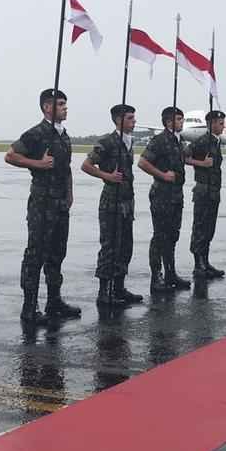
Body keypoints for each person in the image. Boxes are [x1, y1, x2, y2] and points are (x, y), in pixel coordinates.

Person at [6, 88, 81, 324]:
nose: (65, 108)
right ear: (47, 107)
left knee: (57, 253)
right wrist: (37, 163)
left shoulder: (63, 135)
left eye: (65, 104)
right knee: (36, 254)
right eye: (60, 104)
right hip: (42, 202)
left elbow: (66, 168)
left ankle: (54, 301)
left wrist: (70, 194)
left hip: (60, 203)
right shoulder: (36, 133)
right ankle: (29, 307)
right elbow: (11, 156)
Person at [81, 104, 143, 306]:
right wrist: (106, 176)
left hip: (127, 201)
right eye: (130, 118)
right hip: (111, 201)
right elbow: (86, 165)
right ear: (118, 120)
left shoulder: (129, 141)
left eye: (134, 118)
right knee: (110, 247)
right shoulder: (107, 142)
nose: (134, 121)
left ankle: (119, 287)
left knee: (125, 247)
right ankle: (104, 292)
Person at [139, 106, 190, 292]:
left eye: (182, 119)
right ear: (169, 122)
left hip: (176, 195)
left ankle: (170, 274)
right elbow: (143, 162)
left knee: (172, 236)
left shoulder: (178, 141)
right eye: (179, 119)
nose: (182, 122)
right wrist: (162, 175)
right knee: (160, 237)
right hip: (162, 195)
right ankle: (156, 277)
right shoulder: (159, 140)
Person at [186, 109, 226, 278]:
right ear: (211, 124)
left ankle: (205, 261)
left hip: (214, 191)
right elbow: (183, 156)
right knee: (201, 227)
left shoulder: (216, 142)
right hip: (203, 190)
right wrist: (201, 163)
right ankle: (198, 264)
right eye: (220, 123)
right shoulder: (202, 141)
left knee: (209, 228)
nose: (223, 126)